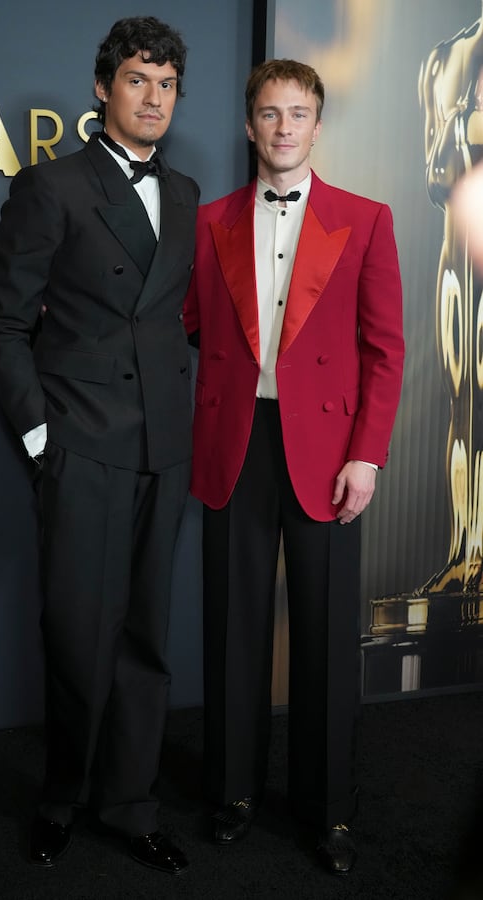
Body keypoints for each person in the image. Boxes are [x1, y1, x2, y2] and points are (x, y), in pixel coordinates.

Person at [0, 16, 199, 875]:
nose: (154, 98)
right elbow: (1, 326)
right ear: (104, 88)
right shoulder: (52, 186)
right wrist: (42, 436)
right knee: (78, 631)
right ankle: (62, 797)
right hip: (82, 440)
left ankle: (131, 804)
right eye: (139, 80)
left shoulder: (181, 194)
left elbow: (178, 322)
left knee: (145, 637)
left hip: (162, 447)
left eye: (168, 84)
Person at [183, 58, 404, 874]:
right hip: (234, 444)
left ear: (318, 124)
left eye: (298, 114)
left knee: (322, 639)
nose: (283, 128)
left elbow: (385, 350)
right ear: (250, 125)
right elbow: (186, 326)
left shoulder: (367, 219)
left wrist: (367, 456)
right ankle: (234, 792)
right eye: (269, 114)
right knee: (233, 625)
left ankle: (326, 811)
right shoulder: (208, 221)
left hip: (329, 452)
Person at [417, 8, 483, 596]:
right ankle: (468, 549)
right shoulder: (443, 59)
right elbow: (438, 171)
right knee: (464, 400)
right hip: (459, 254)